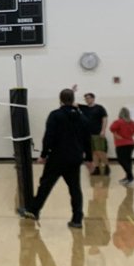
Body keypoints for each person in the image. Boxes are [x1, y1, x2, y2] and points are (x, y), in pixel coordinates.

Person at [21, 88, 92, 228]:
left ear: (60, 99)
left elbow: (49, 137)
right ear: (73, 100)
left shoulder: (55, 115)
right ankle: (77, 219)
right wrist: (89, 158)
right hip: (75, 158)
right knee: (75, 189)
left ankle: (34, 211)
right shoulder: (82, 117)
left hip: (57, 157)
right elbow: (87, 140)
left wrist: (43, 155)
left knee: (45, 185)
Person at [79, 92, 110, 176]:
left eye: (88, 98)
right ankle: (96, 168)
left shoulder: (99, 108)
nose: (87, 99)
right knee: (93, 152)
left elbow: (104, 118)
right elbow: (71, 103)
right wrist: (73, 91)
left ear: (93, 98)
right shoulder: (83, 108)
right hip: (87, 134)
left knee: (100, 151)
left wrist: (103, 130)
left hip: (97, 133)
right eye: (85, 98)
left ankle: (107, 166)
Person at [109, 107, 134, 186]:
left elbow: (111, 128)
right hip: (131, 144)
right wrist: (132, 135)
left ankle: (130, 176)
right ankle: (128, 177)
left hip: (121, 144)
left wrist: (116, 135)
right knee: (128, 161)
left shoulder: (118, 122)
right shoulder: (132, 122)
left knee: (121, 160)